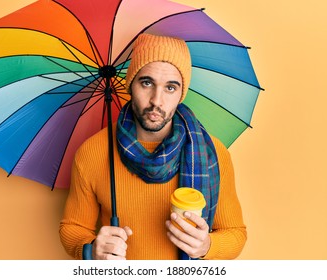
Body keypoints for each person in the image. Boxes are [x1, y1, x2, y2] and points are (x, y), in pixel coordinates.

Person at [59, 33, 246, 260]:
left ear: (181, 94)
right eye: (147, 83)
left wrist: (207, 246)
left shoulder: (212, 153)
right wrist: (90, 249)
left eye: (170, 88)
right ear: (130, 84)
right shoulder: (92, 152)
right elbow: (72, 227)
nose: (157, 100)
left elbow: (235, 234)